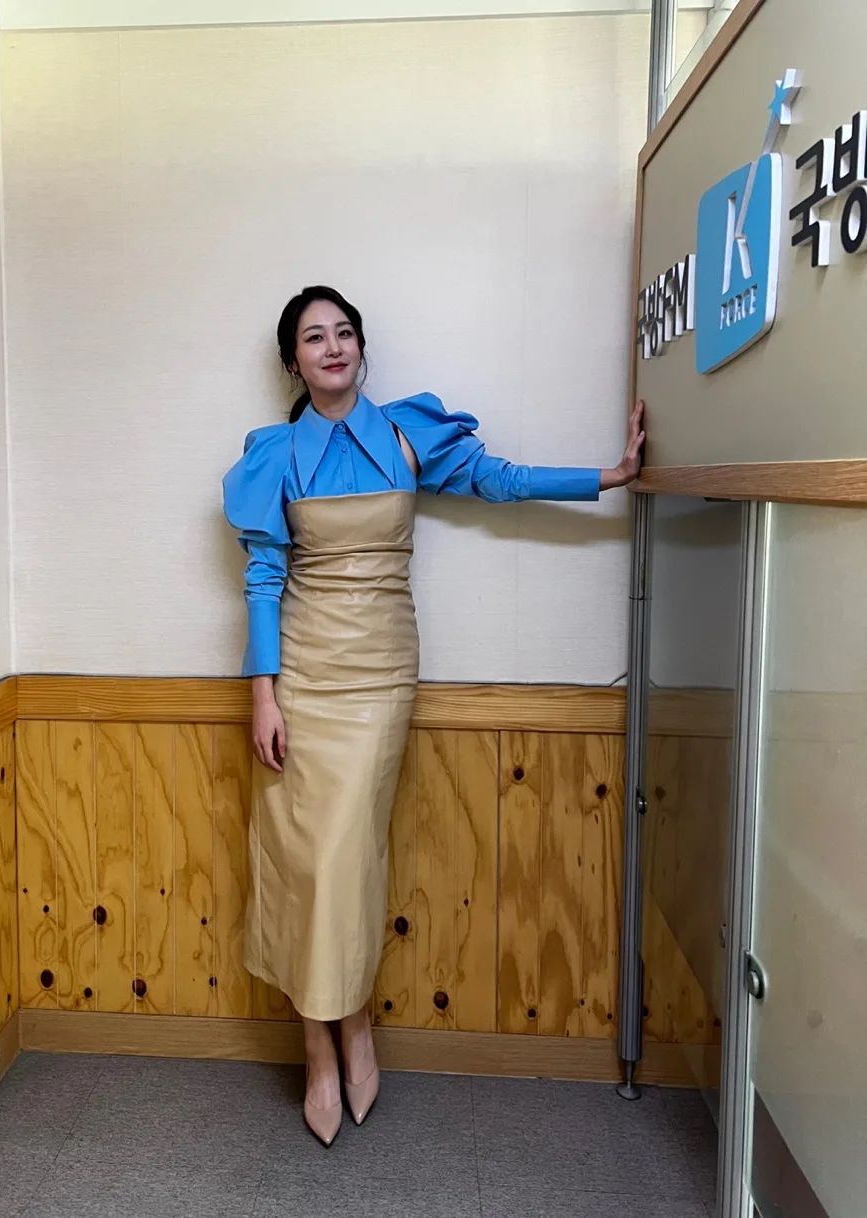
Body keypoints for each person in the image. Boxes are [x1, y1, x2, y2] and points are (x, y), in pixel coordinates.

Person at [222, 285, 644, 1146]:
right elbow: (263, 579)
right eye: (314, 337)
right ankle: (320, 1041)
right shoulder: (275, 455)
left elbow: (499, 481)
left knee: (349, 855)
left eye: (345, 332)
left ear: (360, 348)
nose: (333, 347)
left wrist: (607, 476)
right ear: (292, 361)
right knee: (305, 861)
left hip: (380, 676)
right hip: (301, 677)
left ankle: (353, 1026)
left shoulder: (408, 436)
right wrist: (262, 693)